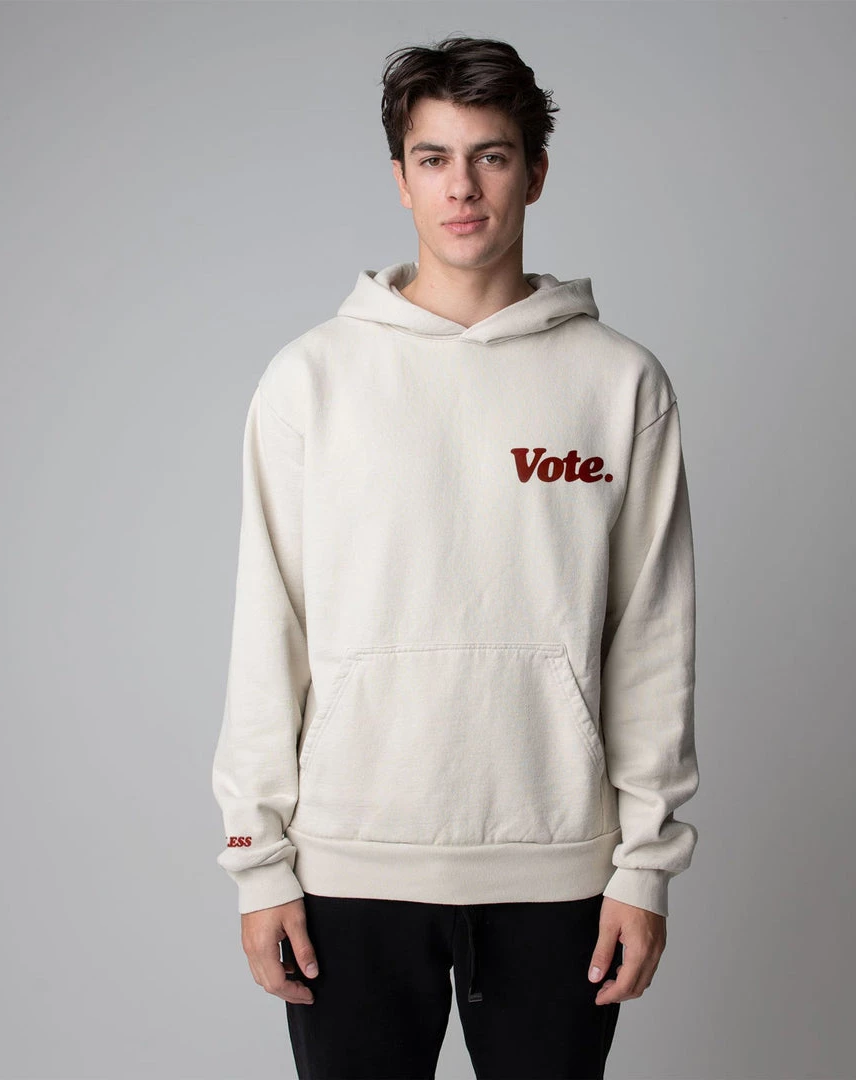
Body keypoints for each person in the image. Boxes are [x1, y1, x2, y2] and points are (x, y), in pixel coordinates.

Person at [212, 34, 699, 1080]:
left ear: (536, 171)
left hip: (561, 873)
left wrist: (645, 867)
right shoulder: (310, 380)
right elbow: (268, 625)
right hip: (348, 867)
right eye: (434, 158)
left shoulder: (619, 384)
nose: (462, 187)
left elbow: (652, 639)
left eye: (491, 156)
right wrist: (258, 862)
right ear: (401, 178)